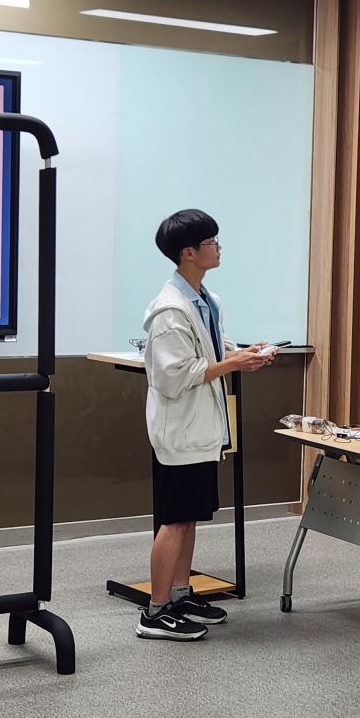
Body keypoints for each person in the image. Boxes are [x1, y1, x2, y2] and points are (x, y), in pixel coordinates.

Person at [136, 209, 275, 640]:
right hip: (179, 430)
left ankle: (179, 594)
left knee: (191, 517)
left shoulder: (205, 299)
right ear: (188, 253)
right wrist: (232, 364)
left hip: (201, 429)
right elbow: (173, 376)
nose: (218, 248)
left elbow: (213, 349)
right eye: (211, 242)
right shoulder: (169, 311)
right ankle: (155, 611)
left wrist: (244, 353)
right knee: (175, 519)